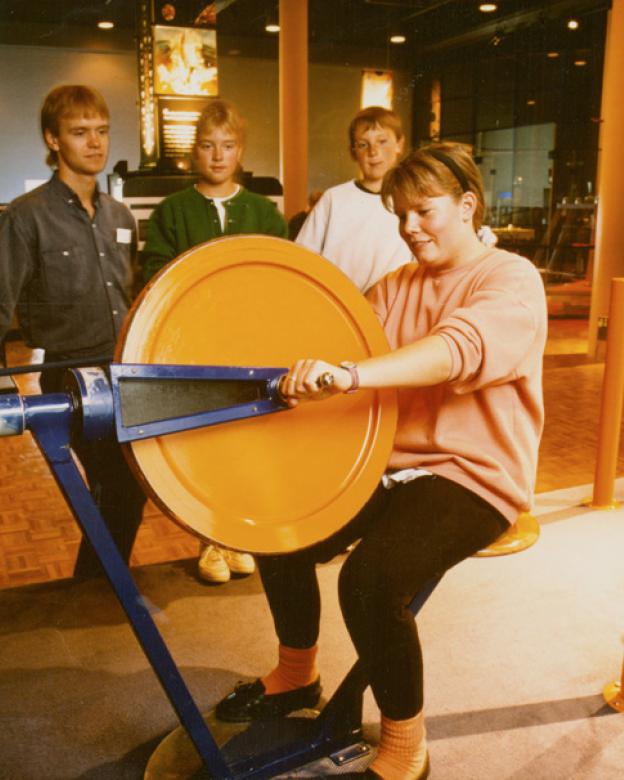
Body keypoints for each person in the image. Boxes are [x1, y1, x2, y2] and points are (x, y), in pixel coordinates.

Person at [215, 143, 547, 780]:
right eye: (400, 215)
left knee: (369, 581)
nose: (409, 227)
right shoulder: (395, 286)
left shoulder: (509, 278)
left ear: (468, 205)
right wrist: (300, 365)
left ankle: (405, 749)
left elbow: (457, 351)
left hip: (475, 476)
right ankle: (296, 673)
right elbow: (335, 343)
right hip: (392, 464)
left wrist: (347, 374)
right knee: (280, 527)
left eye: (424, 211)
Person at [0, 85, 145, 578]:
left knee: (128, 490)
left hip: (126, 372)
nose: (95, 144)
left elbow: (135, 294)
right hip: (72, 377)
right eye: (79, 133)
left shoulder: (120, 216)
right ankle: (97, 591)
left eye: (101, 132)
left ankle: (98, 590)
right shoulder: (26, 216)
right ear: (54, 140)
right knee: (114, 487)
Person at [141, 99, 287, 584]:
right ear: (193, 154)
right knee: (204, 442)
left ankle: (237, 535)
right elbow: (157, 276)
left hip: (252, 347)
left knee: (247, 441)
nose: (218, 155)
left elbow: (278, 277)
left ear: (240, 151)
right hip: (195, 348)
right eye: (207, 145)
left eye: (227, 146)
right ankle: (210, 540)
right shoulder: (173, 211)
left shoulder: (263, 212)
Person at [295, 106, 412, 292]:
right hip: (337, 305)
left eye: (382, 141)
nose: (373, 151)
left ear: (399, 144)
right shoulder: (334, 199)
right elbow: (302, 257)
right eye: (363, 145)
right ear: (352, 152)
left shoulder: (411, 200)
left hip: (392, 307)